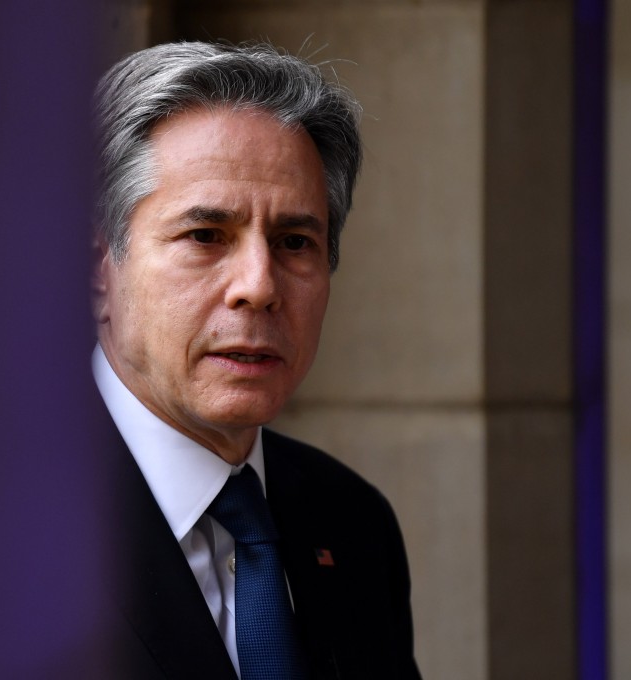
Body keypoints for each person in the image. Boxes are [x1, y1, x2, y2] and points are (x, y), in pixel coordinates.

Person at [90, 41, 421, 679]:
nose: (259, 285)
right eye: (205, 236)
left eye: (295, 242)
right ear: (99, 268)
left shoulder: (353, 521)